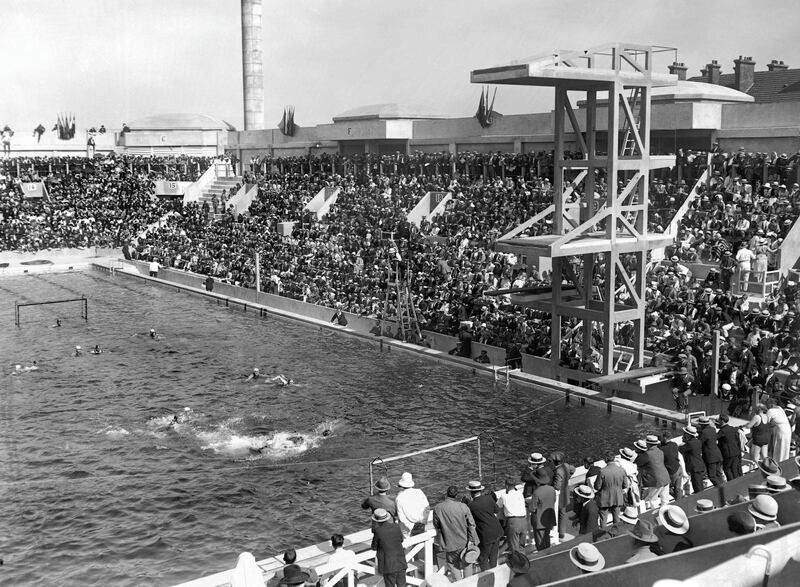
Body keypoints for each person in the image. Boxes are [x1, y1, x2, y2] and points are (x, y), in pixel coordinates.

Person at [432, 485, 479, 580]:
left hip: (449, 543)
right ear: (456, 495)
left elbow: (436, 525)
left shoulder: (438, 508)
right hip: (464, 541)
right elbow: (472, 525)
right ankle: (468, 584)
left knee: (453, 564)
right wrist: (471, 539)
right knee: (467, 563)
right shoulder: (463, 506)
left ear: (446, 494)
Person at [466, 480, 503, 571]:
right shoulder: (489, 498)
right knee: (493, 556)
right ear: (480, 490)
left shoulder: (471, 505)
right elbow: (496, 510)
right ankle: (494, 572)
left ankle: (487, 577)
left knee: (483, 558)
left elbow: (469, 521)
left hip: (485, 534)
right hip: (497, 530)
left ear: (471, 492)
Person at [371, 509, 408, 587]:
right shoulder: (396, 526)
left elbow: (374, 547)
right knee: (402, 585)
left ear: (376, 520)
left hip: (388, 565)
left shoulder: (378, 531)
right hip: (400, 561)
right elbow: (401, 539)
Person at [594, 452, 629, 529]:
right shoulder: (622, 470)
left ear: (606, 459)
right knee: (617, 518)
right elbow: (625, 485)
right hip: (617, 497)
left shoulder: (602, 471)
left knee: (603, 519)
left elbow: (597, 487)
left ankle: (602, 535)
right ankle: (617, 533)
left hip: (604, 499)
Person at [395, 472, 429, 539]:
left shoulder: (399, 498)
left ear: (401, 486)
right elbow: (427, 508)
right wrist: (423, 521)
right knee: (421, 541)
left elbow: (401, 518)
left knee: (409, 545)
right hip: (421, 523)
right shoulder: (419, 492)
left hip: (408, 528)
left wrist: (408, 528)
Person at [530, 469, 556, 551]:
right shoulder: (552, 489)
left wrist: (528, 504)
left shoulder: (536, 492)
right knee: (547, 537)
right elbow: (554, 500)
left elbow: (532, 508)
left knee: (540, 541)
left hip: (539, 521)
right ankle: (548, 553)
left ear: (537, 481)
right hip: (549, 518)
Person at [551, 451, 575, 540]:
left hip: (559, 496)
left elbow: (557, 486)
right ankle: (561, 533)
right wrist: (568, 477)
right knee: (562, 514)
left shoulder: (558, 471)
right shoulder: (566, 466)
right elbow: (573, 469)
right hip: (566, 493)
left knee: (555, 513)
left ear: (554, 461)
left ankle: (555, 532)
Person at [500, 478, 528, 553]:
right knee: (522, 546)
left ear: (506, 486)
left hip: (513, 522)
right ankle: (524, 562)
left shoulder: (504, 496)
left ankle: (517, 563)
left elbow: (498, 506)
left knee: (514, 547)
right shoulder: (519, 494)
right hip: (524, 521)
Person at [679, 425, 707, 494]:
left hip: (695, 467)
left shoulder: (690, 444)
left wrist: (684, 441)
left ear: (688, 435)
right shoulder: (698, 442)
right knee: (699, 484)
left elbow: (681, 449)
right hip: (699, 465)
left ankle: (700, 499)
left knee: (697, 486)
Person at [697, 417, 724, 486]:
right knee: (718, 474)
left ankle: (721, 489)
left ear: (702, 424)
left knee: (712, 476)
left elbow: (699, 443)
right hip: (718, 455)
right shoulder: (713, 429)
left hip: (710, 457)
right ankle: (724, 487)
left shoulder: (703, 432)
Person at [716, 414, 742, 480]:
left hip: (728, 453)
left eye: (719, 419)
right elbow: (738, 441)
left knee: (727, 469)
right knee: (734, 469)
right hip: (736, 452)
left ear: (722, 421)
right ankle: (736, 483)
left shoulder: (722, 431)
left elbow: (715, 438)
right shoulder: (733, 429)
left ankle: (731, 483)